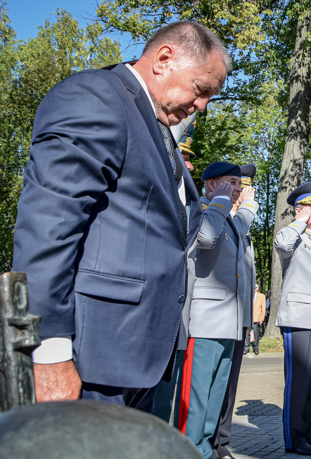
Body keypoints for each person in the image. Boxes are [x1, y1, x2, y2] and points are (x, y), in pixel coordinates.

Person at [12, 21, 229, 406]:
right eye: (201, 90)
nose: (202, 107)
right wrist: (48, 351)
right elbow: (49, 226)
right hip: (90, 358)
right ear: (164, 59)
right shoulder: (97, 97)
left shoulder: (155, 126)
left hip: (136, 357)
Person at [173, 162, 254, 459]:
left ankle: (205, 457)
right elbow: (204, 238)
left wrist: (243, 203)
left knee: (215, 396)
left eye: (238, 183)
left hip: (228, 323)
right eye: (230, 182)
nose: (237, 188)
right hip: (205, 323)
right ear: (210, 185)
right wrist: (220, 200)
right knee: (196, 399)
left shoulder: (229, 218)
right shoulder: (204, 210)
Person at [274, 181, 311, 456]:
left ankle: (309, 433)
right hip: (298, 318)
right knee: (298, 383)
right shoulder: (293, 234)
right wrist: (298, 222)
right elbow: (282, 244)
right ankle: (294, 438)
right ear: (299, 210)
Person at [207, 163, 259, 459]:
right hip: (217, 317)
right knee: (213, 387)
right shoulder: (219, 218)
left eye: (244, 189)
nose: (240, 193)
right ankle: (209, 448)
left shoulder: (240, 229)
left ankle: (221, 445)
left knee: (228, 388)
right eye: (237, 186)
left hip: (237, 317)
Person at [251, 284, 267, 355]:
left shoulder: (261, 296)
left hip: (257, 318)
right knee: (247, 334)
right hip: (249, 318)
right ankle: (246, 347)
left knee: (256, 334)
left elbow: (263, 308)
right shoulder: (248, 295)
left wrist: (261, 318)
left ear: (257, 288)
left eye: (254, 288)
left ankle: (256, 348)